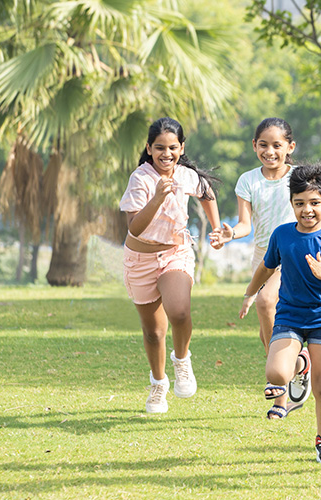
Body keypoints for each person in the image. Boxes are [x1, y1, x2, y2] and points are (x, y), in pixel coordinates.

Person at [210, 118, 321, 420]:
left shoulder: (299, 179)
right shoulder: (247, 180)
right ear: (254, 146)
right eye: (263, 145)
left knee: (266, 301)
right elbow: (245, 224)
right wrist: (230, 234)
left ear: (290, 147)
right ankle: (295, 368)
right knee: (266, 329)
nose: (270, 151)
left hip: (294, 253)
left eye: (277, 145)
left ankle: (281, 386)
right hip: (267, 251)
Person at [239, 162, 321, 464]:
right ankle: (300, 364)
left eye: (315, 203)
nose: (307, 210)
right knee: (276, 374)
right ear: (291, 203)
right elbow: (266, 267)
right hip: (290, 316)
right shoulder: (282, 235)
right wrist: (249, 294)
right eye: (300, 203)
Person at [119, 117, 222, 414]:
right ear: (149, 149)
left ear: (181, 148)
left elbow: (206, 192)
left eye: (173, 148)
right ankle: (158, 383)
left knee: (179, 310)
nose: (167, 154)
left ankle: (182, 360)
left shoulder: (186, 174)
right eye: (160, 148)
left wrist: (216, 229)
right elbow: (135, 228)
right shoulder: (141, 178)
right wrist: (157, 197)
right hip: (140, 259)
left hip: (176, 252)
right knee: (154, 332)